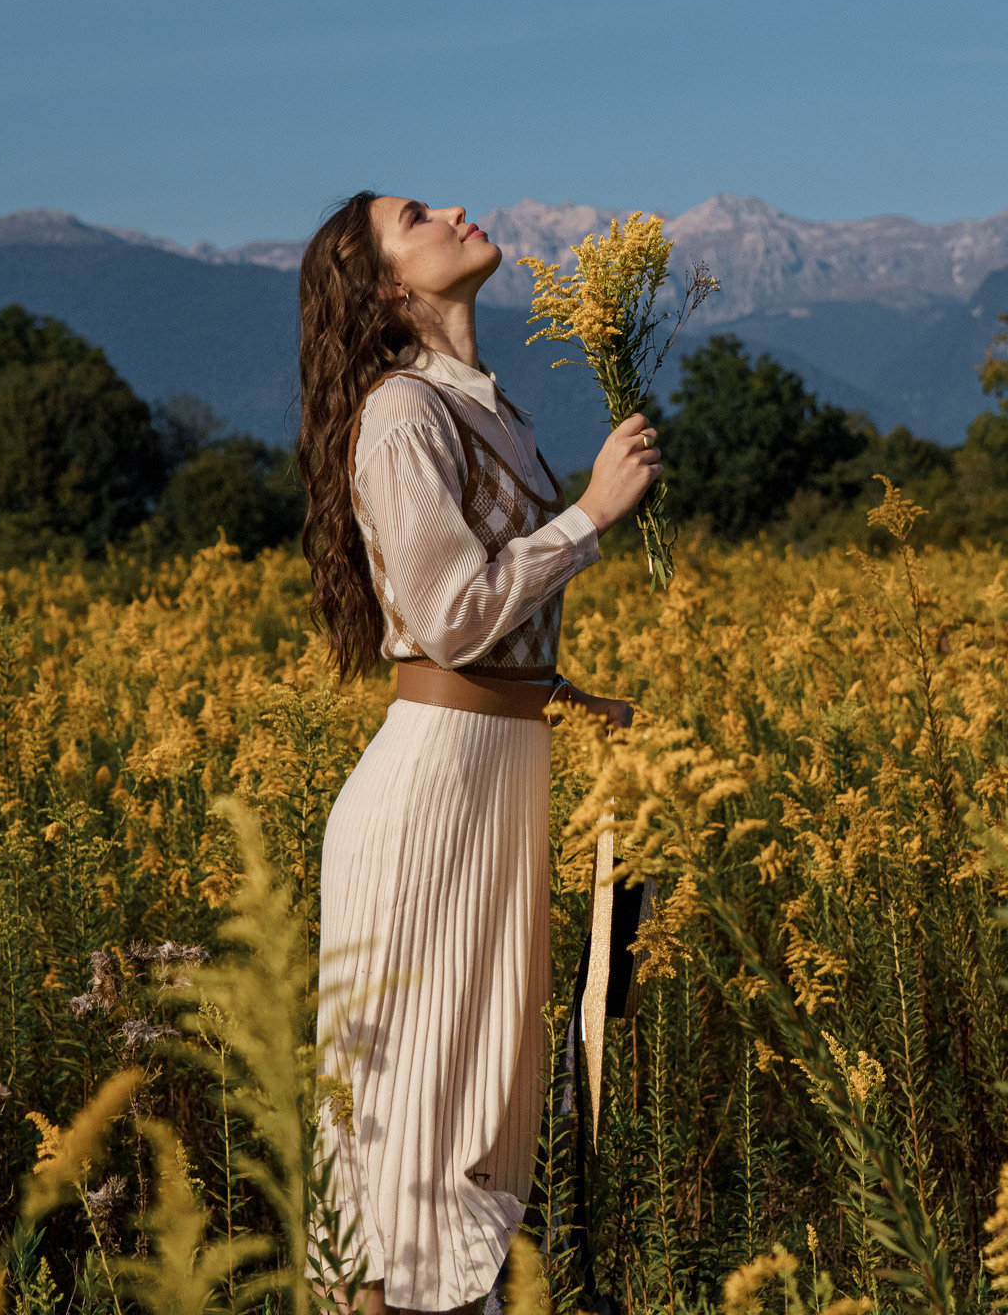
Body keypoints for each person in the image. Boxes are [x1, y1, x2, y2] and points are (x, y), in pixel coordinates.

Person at [297, 191, 660, 1315]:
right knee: (417, 1124)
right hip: (432, 791)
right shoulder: (400, 410)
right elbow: (450, 613)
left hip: (492, 766)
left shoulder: (482, 406)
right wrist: (592, 517)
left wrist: (555, 693)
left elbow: (481, 627)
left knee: (480, 1113)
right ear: (387, 285)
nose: (453, 208)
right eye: (417, 215)